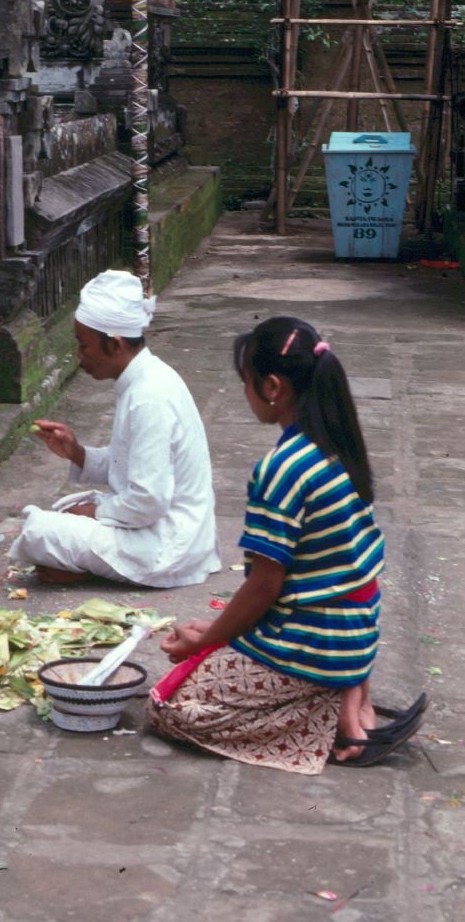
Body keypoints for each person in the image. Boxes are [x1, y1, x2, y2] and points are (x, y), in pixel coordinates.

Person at [147, 316, 426, 773]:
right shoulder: (338, 445)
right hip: (354, 633)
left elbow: (263, 587)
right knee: (213, 641)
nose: (246, 393)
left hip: (316, 643)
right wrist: (217, 634)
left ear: (273, 387)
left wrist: (203, 645)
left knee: (170, 709)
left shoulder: (281, 469)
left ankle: (331, 713)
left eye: (247, 382)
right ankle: (351, 696)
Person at [8, 270, 221, 588]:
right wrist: (77, 453)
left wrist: (95, 511)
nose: (79, 356)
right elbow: (130, 464)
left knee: (41, 530)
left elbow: (148, 501)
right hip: (165, 531)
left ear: (115, 344)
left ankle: (89, 569)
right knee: (63, 510)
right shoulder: (143, 379)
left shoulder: (149, 396)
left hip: (168, 545)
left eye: (84, 345)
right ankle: (88, 563)